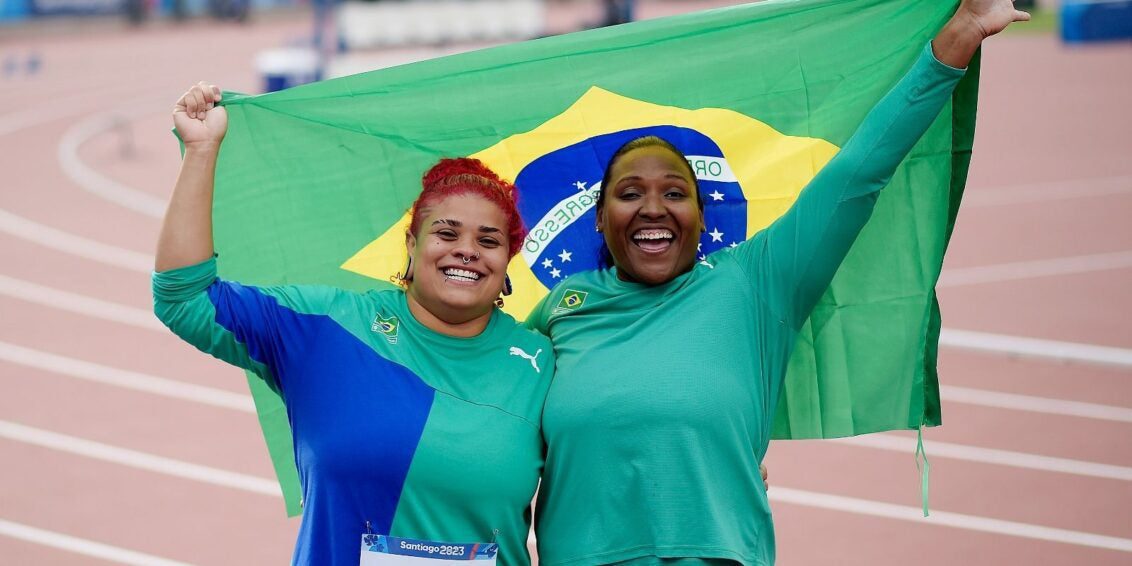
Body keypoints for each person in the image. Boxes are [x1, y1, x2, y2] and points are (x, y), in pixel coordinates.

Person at [527, 1, 1029, 564]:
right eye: (628, 194)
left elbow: (859, 173)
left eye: (674, 193)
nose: (652, 208)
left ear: (700, 215)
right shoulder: (557, 311)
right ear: (599, 218)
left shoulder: (754, 282)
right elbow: (483, 419)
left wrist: (956, 40)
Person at [153, 83, 553, 565]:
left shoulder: (543, 365)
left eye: (488, 241)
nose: (466, 249)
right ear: (411, 243)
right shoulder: (325, 329)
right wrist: (200, 151)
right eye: (446, 233)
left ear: (509, 260)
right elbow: (186, 300)